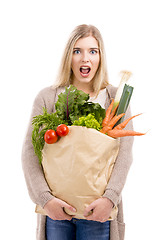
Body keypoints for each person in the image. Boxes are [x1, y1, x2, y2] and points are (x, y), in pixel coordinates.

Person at [22, 24, 133, 240]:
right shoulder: (47, 97)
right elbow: (29, 153)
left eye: (93, 51)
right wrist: (46, 199)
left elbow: (125, 154)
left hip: (98, 211)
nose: (85, 59)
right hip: (56, 212)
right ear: (68, 57)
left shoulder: (115, 98)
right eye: (77, 51)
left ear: (101, 57)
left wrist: (109, 199)